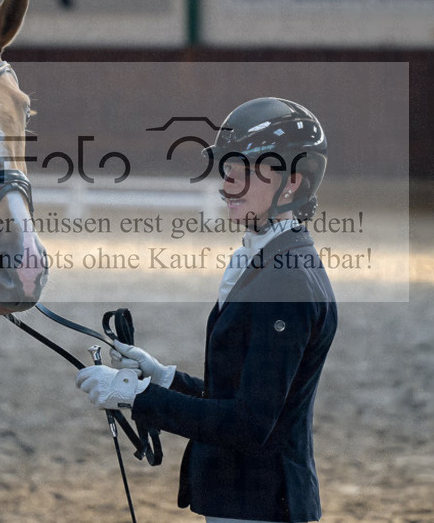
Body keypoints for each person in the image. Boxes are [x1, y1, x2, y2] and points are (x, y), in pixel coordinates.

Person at [76, 97, 338, 523]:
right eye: (228, 166)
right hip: (239, 500)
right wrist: (165, 379)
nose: (229, 180)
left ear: (292, 182)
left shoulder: (286, 280)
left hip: (261, 505)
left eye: (247, 169)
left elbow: (249, 424)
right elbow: (241, 393)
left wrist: (135, 396)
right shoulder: (266, 261)